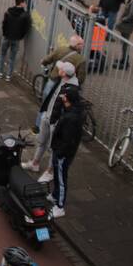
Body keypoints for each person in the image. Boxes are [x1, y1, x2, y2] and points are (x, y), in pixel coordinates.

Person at [25, 61, 79, 179]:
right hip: (47, 117)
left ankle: (50, 172)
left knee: (53, 148)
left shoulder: (72, 90)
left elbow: (70, 110)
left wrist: (59, 121)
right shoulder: (62, 80)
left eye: (60, 69)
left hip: (56, 123)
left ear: (63, 73)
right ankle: (34, 163)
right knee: (41, 141)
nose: (57, 69)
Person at [49, 85, 85, 218]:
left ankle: (59, 206)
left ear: (68, 99)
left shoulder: (71, 118)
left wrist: (59, 153)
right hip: (59, 150)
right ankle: (54, 195)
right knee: (58, 177)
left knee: (61, 178)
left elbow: (68, 139)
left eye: (64, 96)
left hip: (62, 153)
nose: (62, 97)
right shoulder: (72, 111)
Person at [0, 0, 31, 81]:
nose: (25, 4)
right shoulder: (25, 15)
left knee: (3, 54)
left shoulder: (9, 11)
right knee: (12, 58)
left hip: (7, 37)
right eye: (25, 2)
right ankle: (8, 75)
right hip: (16, 39)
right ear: (21, 3)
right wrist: (21, 36)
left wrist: (5, 33)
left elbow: (4, 24)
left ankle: (0, 72)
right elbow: (26, 28)